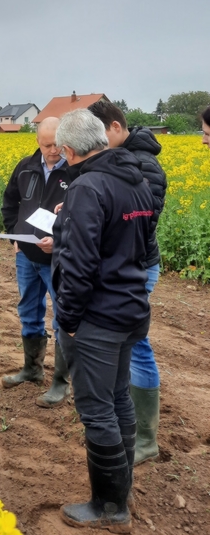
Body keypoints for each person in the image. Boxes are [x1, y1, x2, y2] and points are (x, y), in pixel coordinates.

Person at [52, 109, 155, 533]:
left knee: (97, 409)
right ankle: (121, 492)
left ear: (68, 150)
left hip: (98, 316)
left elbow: (80, 264)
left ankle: (110, 507)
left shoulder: (87, 186)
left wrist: (68, 318)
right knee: (118, 400)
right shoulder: (136, 181)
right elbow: (143, 248)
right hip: (131, 307)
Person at [88, 100, 167, 464]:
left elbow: (142, 219)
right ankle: (128, 421)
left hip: (137, 265)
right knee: (127, 343)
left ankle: (146, 439)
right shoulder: (119, 158)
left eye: (99, 134)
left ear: (116, 128)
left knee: (136, 344)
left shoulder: (144, 164)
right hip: (123, 263)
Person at [1, 117, 73, 407]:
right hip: (26, 256)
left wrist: (60, 241)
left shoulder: (76, 171)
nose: (53, 150)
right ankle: (32, 369)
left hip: (59, 259)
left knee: (63, 318)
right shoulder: (26, 167)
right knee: (28, 312)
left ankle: (61, 382)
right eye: (46, 145)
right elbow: (9, 202)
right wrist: (14, 236)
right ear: (37, 143)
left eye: (57, 144)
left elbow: (82, 217)